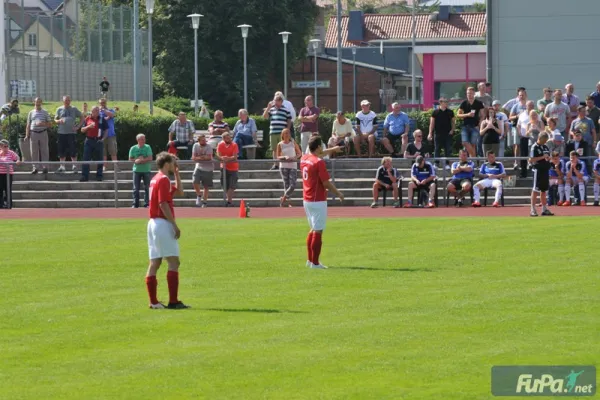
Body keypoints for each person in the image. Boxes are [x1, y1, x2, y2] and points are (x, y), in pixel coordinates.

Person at [146, 151, 188, 309]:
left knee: (155, 262)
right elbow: (163, 204)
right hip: (162, 223)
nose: (174, 164)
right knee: (173, 261)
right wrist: (174, 225)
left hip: (152, 223)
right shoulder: (163, 179)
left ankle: (154, 302)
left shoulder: (156, 179)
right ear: (167, 163)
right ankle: (173, 301)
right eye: (172, 162)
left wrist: (177, 174)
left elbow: (179, 192)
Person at [301, 136, 344, 269]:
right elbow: (325, 183)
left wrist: (333, 149)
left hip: (307, 198)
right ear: (319, 147)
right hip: (317, 198)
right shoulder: (319, 162)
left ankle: (309, 260)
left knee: (313, 229)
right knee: (318, 230)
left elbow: (316, 155)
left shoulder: (304, 158)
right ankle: (315, 263)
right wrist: (338, 193)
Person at [55, 95, 84, 173]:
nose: (67, 102)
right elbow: (55, 119)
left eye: (68, 100)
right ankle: (62, 167)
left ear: (70, 101)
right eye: (65, 100)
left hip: (72, 133)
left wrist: (78, 127)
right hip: (61, 133)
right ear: (63, 101)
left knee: (73, 149)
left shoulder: (74, 109)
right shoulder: (59, 109)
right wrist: (58, 121)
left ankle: (74, 166)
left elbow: (82, 117)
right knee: (61, 150)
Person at [263, 94, 292, 170]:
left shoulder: (286, 110)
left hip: (282, 133)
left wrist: (288, 129)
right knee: (274, 149)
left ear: (281, 101)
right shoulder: (271, 109)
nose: (275, 102)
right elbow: (265, 117)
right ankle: (275, 164)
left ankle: (283, 165)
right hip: (273, 132)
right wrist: (268, 107)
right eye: (274, 100)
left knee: (283, 148)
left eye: (277, 100)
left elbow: (289, 120)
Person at [80, 106, 108, 182]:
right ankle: (84, 176)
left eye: (98, 110)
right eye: (95, 110)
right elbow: (82, 130)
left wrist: (103, 139)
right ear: (92, 112)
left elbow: (106, 130)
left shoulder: (102, 119)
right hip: (89, 140)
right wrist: (89, 126)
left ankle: (99, 176)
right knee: (86, 158)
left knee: (100, 159)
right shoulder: (87, 119)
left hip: (99, 140)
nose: (97, 112)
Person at [528, 132, 553, 216]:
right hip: (537, 170)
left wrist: (548, 158)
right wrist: (542, 157)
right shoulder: (534, 147)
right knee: (535, 189)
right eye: (544, 139)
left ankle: (544, 209)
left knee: (544, 190)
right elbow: (531, 159)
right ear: (540, 138)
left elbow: (548, 157)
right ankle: (533, 209)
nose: (545, 141)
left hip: (545, 170)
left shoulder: (545, 146)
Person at [25, 97, 52, 175]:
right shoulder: (31, 112)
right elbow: (28, 124)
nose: (38, 103)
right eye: (37, 102)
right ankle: (35, 167)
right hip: (33, 133)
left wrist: (43, 124)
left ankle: (45, 167)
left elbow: (50, 124)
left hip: (43, 132)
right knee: (34, 151)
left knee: (44, 150)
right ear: (34, 102)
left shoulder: (45, 112)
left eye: (39, 102)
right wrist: (27, 135)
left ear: (41, 103)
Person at [276, 128, 301, 207]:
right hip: (284, 166)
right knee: (286, 185)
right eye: (285, 133)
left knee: (292, 185)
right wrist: (284, 157)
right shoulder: (280, 144)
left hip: (293, 165)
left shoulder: (293, 143)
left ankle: (283, 199)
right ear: (282, 135)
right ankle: (286, 203)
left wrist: (294, 158)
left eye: (288, 133)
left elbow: (299, 153)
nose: (287, 135)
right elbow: (278, 156)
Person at [457, 87, 485, 157]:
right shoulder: (464, 103)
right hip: (465, 126)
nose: (469, 95)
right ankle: (475, 158)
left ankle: (473, 163)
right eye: (468, 93)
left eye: (471, 93)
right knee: (465, 142)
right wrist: (467, 114)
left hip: (475, 126)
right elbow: (458, 114)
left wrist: (480, 123)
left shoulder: (479, 103)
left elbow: (482, 115)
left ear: (474, 94)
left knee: (473, 145)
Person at [428, 97, 455, 169]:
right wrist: (430, 133)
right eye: (445, 101)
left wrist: (452, 130)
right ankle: (436, 164)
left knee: (447, 149)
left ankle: (447, 164)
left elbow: (453, 122)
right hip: (438, 133)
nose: (446, 103)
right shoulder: (435, 112)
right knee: (437, 149)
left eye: (447, 102)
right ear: (440, 102)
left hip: (448, 133)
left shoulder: (450, 112)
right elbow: (432, 123)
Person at [129, 134, 153, 208]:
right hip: (136, 170)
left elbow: (150, 158)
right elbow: (130, 159)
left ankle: (147, 204)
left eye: (144, 139)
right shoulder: (133, 148)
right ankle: (135, 204)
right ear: (138, 140)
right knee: (136, 188)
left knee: (147, 188)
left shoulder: (148, 147)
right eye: (142, 139)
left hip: (146, 170)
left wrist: (142, 160)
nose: (144, 140)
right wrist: (136, 160)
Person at [216, 132, 239, 207]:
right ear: (223, 139)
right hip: (224, 167)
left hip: (233, 168)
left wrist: (226, 159)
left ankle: (229, 201)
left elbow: (234, 157)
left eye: (230, 138)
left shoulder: (234, 145)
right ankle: (229, 201)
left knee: (232, 185)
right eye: (227, 138)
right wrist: (222, 158)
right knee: (224, 185)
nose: (229, 139)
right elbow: (218, 156)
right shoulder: (220, 145)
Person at [191, 133, 214, 208]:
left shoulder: (209, 146)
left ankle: (204, 202)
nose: (204, 141)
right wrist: (203, 157)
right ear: (199, 140)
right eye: (202, 140)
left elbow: (209, 157)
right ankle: (199, 195)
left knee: (206, 187)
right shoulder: (195, 145)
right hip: (198, 167)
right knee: (195, 181)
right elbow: (193, 157)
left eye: (205, 140)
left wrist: (199, 157)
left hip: (208, 168)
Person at [0, 139, 21, 209]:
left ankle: (8, 204)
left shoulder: (10, 152)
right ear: (1, 147)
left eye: (7, 146)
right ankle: (1, 204)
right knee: (0, 189)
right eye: (4, 146)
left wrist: (18, 160)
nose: (6, 148)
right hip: (0, 174)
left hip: (8, 174)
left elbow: (17, 157)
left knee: (7, 189)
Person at [99, 98, 117, 170]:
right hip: (102, 135)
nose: (102, 104)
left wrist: (104, 110)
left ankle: (116, 166)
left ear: (106, 103)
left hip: (111, 135)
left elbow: (112, 115)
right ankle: (104, 166)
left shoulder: (111, 110)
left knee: (113, 151)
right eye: (101, 103)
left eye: (103, 103)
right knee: (103, 152)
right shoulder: (99, 112)